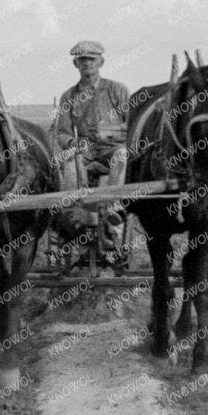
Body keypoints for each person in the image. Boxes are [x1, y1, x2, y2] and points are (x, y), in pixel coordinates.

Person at [52, 40, 131, 262]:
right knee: (68, 159)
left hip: (114, 147)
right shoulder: (69, 96)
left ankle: (113, 209)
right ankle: (71, 218)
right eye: (82, 60)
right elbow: (62, 132)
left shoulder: (117, 90)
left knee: (123, 155)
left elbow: (133, 127)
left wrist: (109, 132)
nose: (87, 64)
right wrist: (72, 143)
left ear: (101, 62)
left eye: (92, 59)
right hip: (85, 150)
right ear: (76, 64)